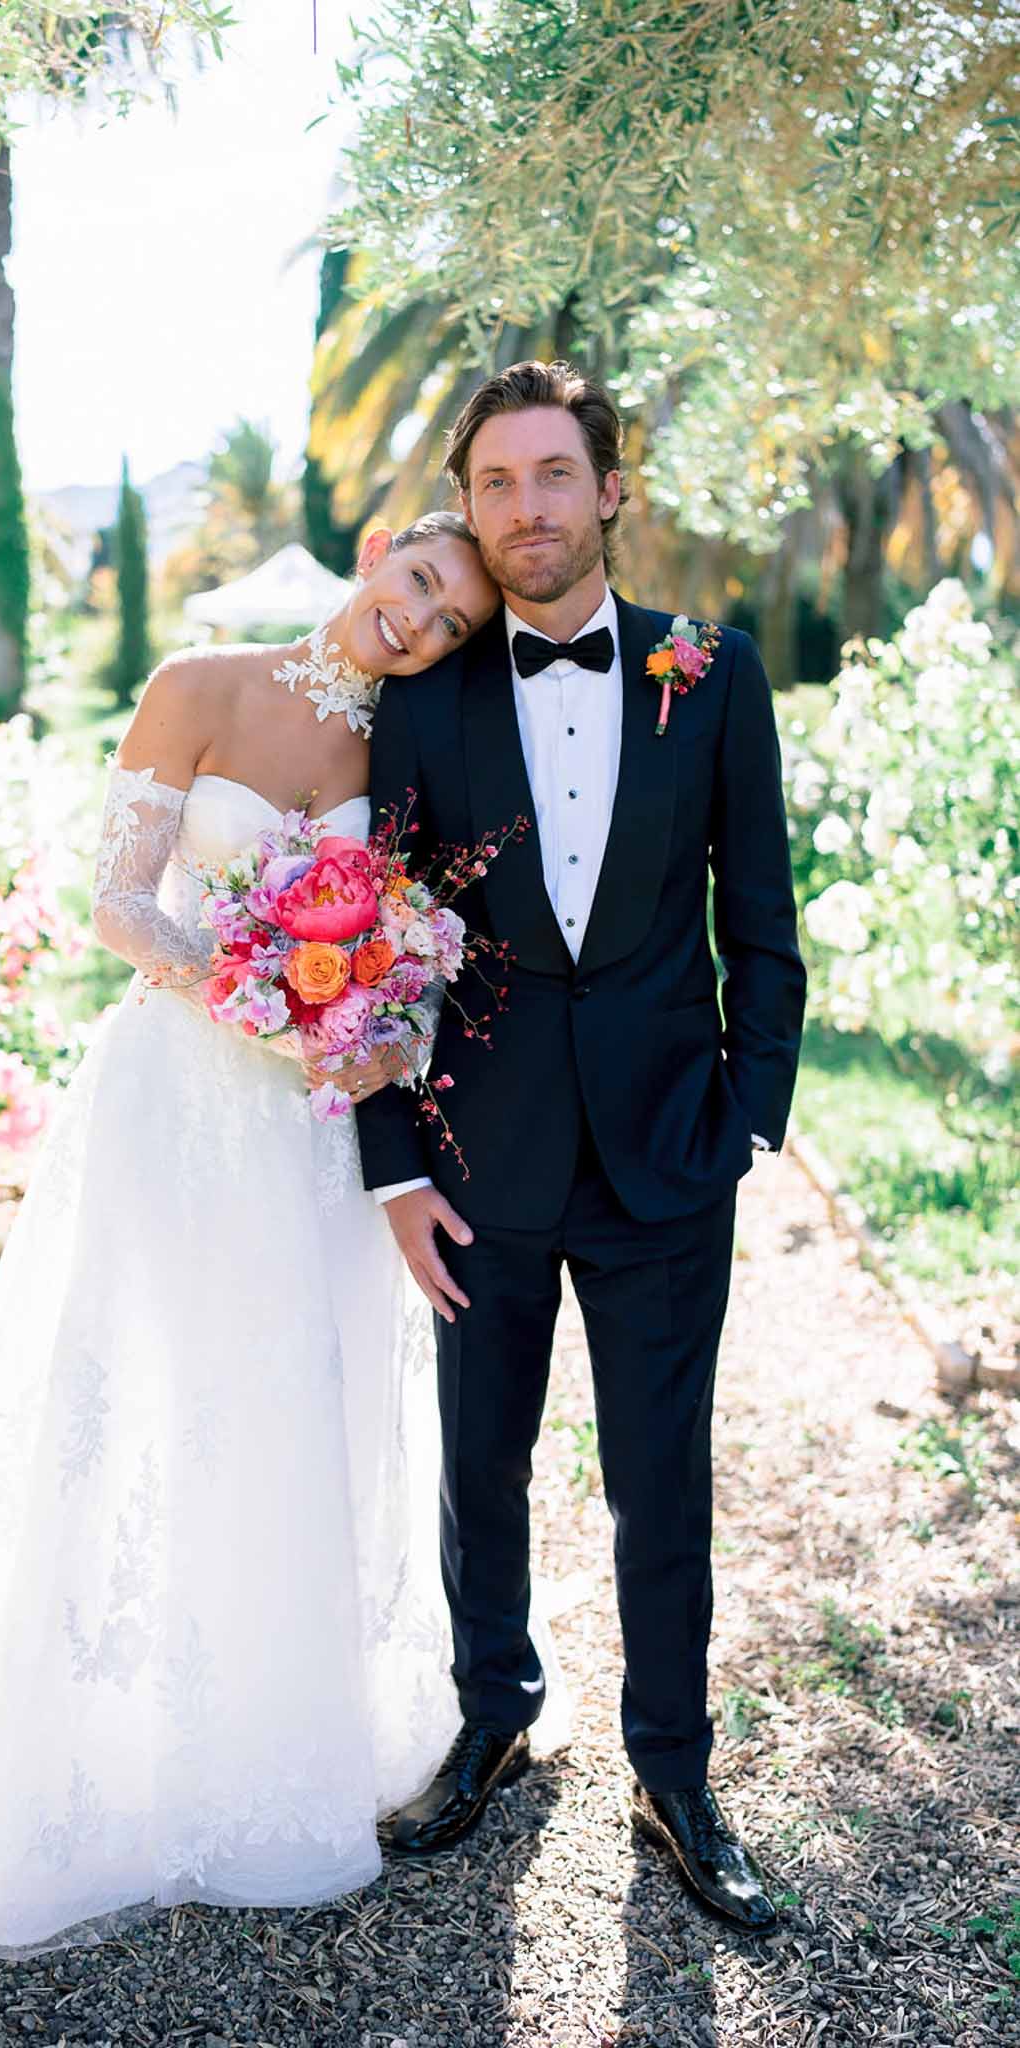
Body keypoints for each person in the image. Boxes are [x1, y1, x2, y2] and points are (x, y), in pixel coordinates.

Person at [0, 512, 501, 1957]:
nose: (421, 622)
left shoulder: (406, 758)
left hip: (311, 1133)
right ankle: (89, 1745)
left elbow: (414, 944)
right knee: (133, 1391)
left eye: (451, 620)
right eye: (418, 583)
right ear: (381, 550)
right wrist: (269, 981)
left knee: (287, 1399)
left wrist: (362, 1011)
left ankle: (270, 1738)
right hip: (172, 1097)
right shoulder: (199, 680)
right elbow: (116, 904)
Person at [356, 362, 806, 1933]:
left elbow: (758, 918)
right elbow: (367, 954)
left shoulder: (711, 671)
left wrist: (747, 1118)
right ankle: (493, 1720)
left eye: (553, 475)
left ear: (609, 489)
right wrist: (393, 1168)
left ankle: (672, 1773)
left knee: (658, 1482)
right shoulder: (420, 700)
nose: (525, 509)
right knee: (479, 1467)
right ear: (467, 506)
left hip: (668, 1155)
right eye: (494, 483)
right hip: (477, 1166)